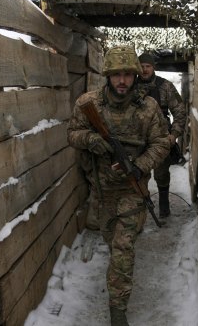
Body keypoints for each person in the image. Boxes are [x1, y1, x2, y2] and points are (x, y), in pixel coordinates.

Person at [67, 45, 170, 326]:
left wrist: (138, 166)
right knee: (112, 243)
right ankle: (118, 285)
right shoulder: (89, 104)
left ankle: (117, 311)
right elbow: (73, 133)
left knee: (124, 249)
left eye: (127, 74)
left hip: (131, 191)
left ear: (136, 75)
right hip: (101, 192)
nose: (122, 81)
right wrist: (92, 141)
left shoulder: (148, 108)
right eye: (116, 75)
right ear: (107, 76)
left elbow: (162, 142)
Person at [137, 52, 187, 218]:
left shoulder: (165, 86)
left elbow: (180, 112)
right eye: (142, 66)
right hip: (136, 139)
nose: (144, 70)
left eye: (148, 66)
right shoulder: (131, 86)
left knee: (162, 174)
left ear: (153, 68)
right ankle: (139, 210)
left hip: (160, 138)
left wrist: (173, 135)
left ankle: (164, 206)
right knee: (138, 174)